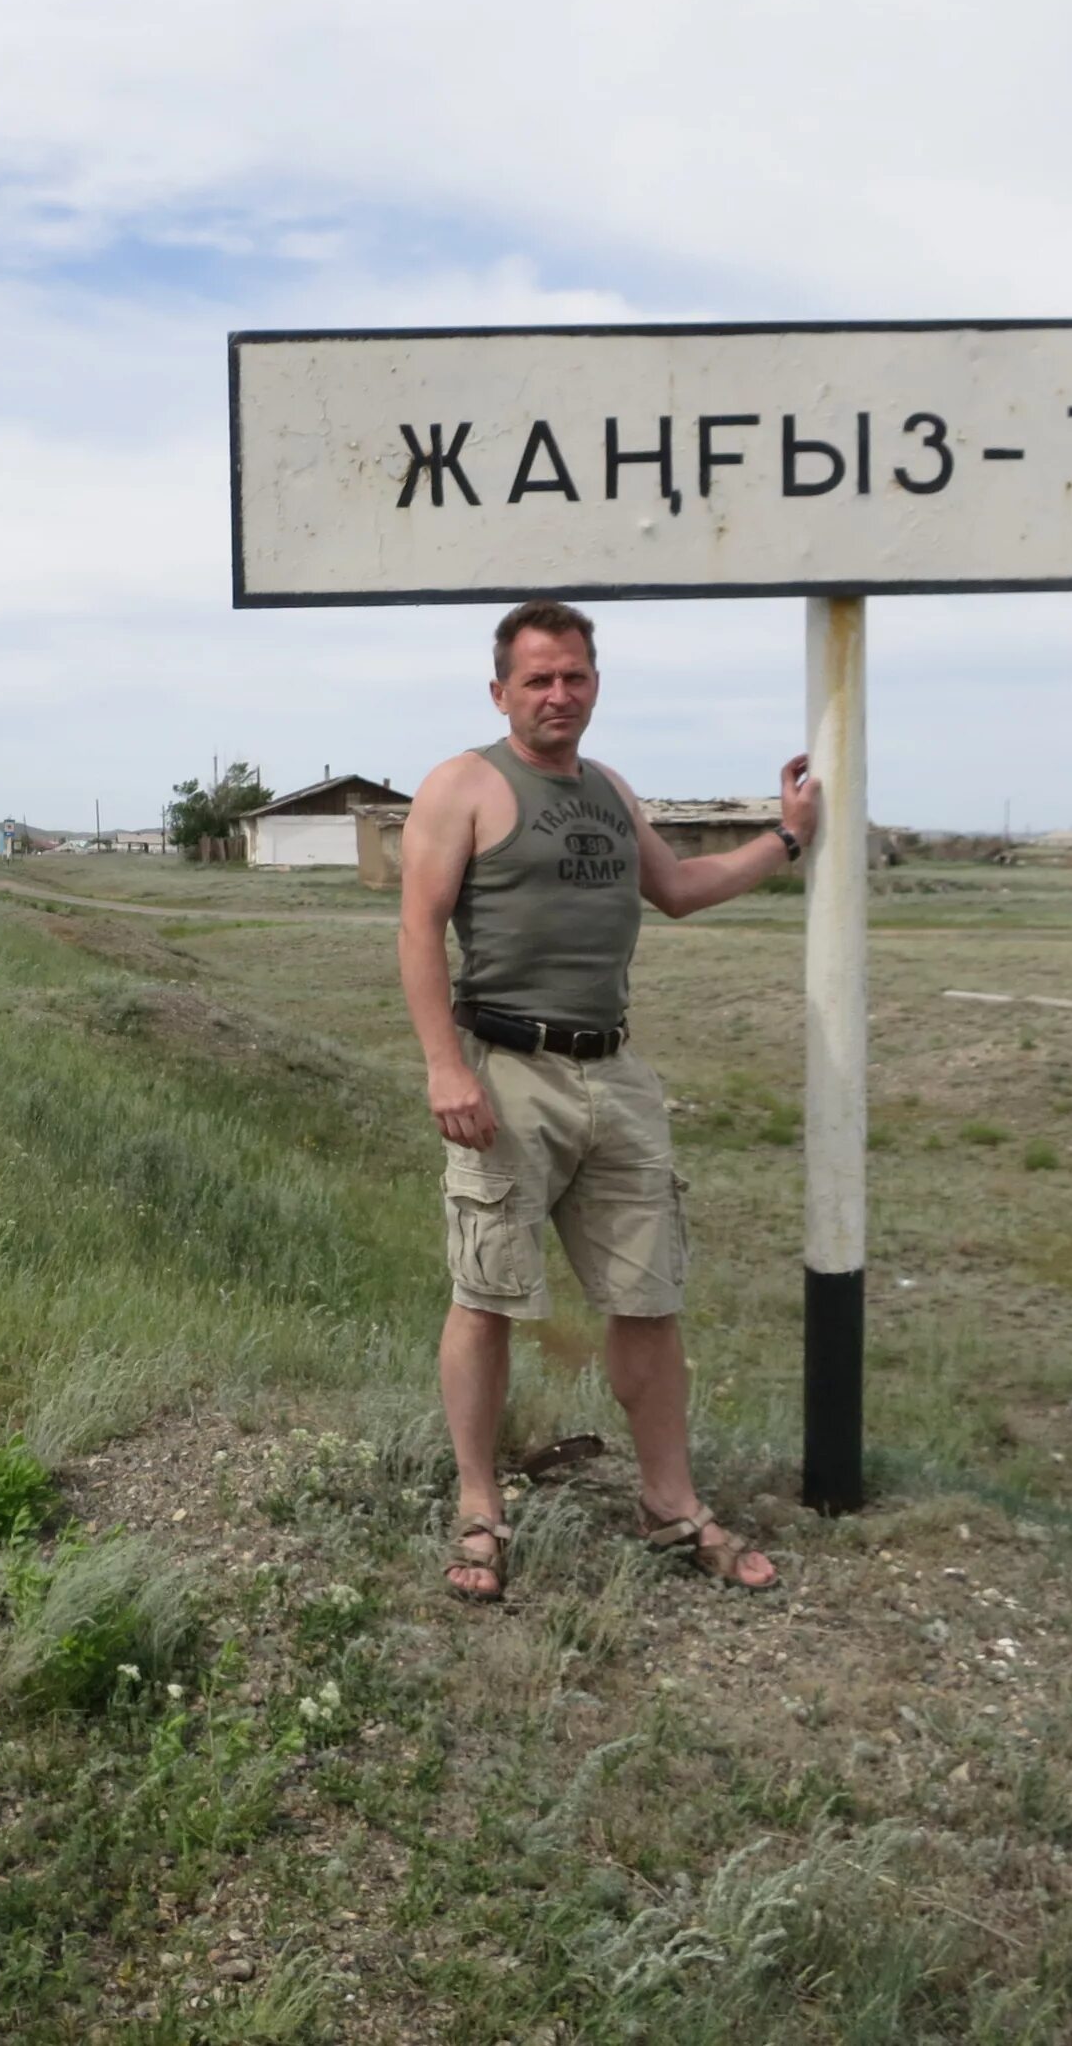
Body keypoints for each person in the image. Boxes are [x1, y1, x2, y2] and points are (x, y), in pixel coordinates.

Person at [398, 598, 817, 1601]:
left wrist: (786, 840)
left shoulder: (608, 790)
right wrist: (443, 1066)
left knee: (649, 1296)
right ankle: (479, 1506)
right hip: (507, 1070)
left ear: (596, 684)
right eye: (537, 678)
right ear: (500, 689)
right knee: (488, 1292)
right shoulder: (464, 785)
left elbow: (675, 886)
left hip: (617, 1077)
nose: (558, 694)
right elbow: (418, 929)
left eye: (575, 676)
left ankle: (669, 1504)